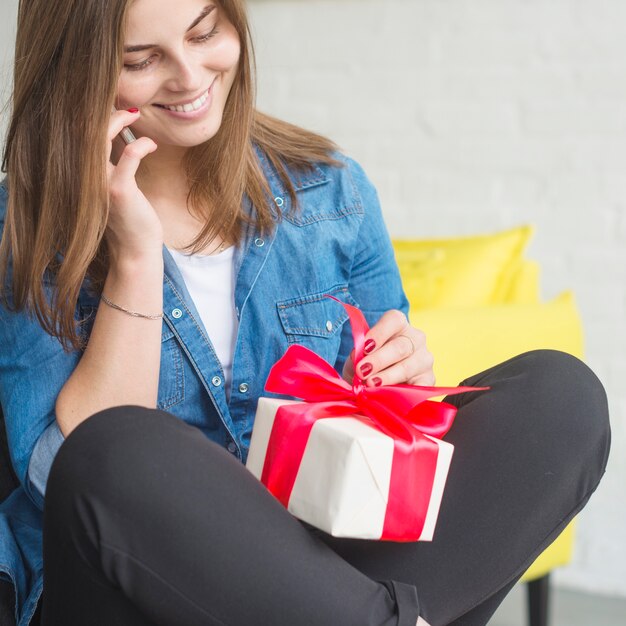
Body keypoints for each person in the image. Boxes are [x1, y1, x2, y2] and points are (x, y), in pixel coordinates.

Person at [0, 0, 610, 625]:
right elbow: (68, 482)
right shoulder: (28, 224)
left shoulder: (330, 191)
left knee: (560, 398)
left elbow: (387, 449)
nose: (188, 76)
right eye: (142, 59)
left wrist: (405, 385)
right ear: (81, 71)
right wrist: (134, 259)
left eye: (205, 32)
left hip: (323, 576)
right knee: (115, 447)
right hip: (138, 593)